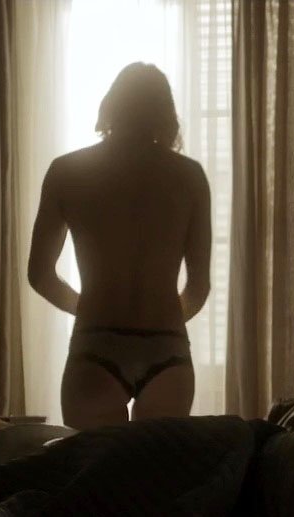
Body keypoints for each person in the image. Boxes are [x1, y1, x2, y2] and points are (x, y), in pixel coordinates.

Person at [28, 63, 212, 430]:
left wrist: (87, 308)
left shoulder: (68, 171)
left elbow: (40, 274)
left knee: (98, 465)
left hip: (95, 342)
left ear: (111, 105)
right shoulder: (189, 177)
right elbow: (199, 286)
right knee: (155, 466)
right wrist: (163, 319)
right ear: (165, 113)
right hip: (166, 345)